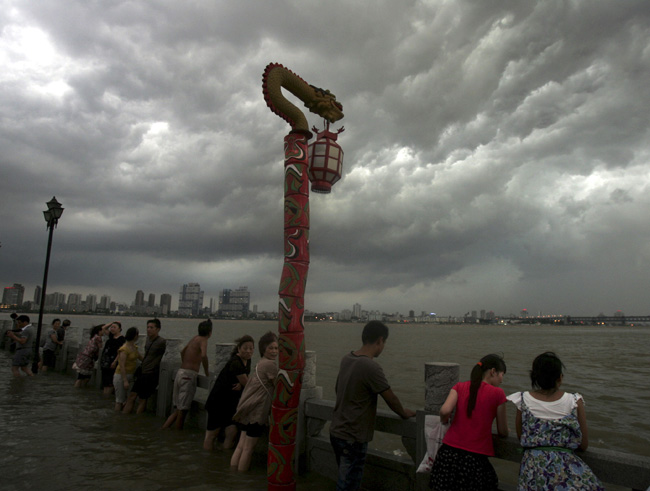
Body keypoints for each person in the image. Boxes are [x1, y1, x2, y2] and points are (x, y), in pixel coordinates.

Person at [329, 320, 416, 491]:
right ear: (380, 341)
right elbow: (390, 397)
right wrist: (404, 413)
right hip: (353, 436)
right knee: (348, 485)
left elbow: (337, 389)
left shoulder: (347, 358)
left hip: (337, 431)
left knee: (344, 478)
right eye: (384, 343)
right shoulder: (370, 366)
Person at [507, 352, 604, 490]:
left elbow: (520, 436)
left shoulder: (522, 400)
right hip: (566, 468)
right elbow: (583, 444)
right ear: (560, 378)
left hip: (532, 470)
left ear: (534, 377)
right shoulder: (574, 401)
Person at [429, 353, 509, 491]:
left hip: (448, 454)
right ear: (493, 372)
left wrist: (445, 421)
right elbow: (502, 431)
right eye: (502, 374)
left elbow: (444, 410)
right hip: (474, 460)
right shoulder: (498, 394)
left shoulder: (459, 387)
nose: (502, 380)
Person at [230, 331, 278, 472]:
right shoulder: (270, 365)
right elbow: (279, 387)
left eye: (276, 348)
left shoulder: (259, 363)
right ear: (263, 349)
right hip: (257, 412)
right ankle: (241, 479)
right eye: (271, 348)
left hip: (247, 409)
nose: (274, 351)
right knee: (248, 449)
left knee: (241, 445)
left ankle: (232, 475)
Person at [203, 334, 254, 450]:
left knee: (231, 432)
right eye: (245, 348)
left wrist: (241, 385)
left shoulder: (247, 360)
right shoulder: (236, 363)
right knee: (212, 434)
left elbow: (245, 381)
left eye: (251, 348)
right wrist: (243, 384)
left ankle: (224, 462)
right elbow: (248, 385)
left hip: (230, 403)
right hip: (218, 402)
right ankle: (207, 459)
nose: (248, 351)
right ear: (238, 348)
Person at [163, 319, 212, 429]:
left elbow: (182, 351)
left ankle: (164, 429)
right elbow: (204, 355)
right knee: (182, 411)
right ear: (210, 332)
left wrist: (186, 363)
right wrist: (206, 371)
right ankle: (177, 438)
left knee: (178, 409)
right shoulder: (203, 340)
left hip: (180, 373)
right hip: (188, 376)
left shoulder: (194, 338)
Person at [123, 318, 167, 414]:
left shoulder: (162, 342)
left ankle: (137, 421)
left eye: (151, 327)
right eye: (147, 327)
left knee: (143, 399)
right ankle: (124, 419)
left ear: (158, 329)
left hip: (150, 374)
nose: (148, 329)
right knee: (132, 396)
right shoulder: (147, 340)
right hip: (142, 372)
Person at [112, 327, 142, 411]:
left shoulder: (134, 347)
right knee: (119, 400)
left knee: (129, 398)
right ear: (134, 336)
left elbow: (140, 357)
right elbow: (122, 365)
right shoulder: (124, 349)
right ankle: (117, 418)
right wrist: (125, 380)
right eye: (137, 334)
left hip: (131, 375)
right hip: (121, 376)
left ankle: (124, 415)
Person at [74, 323, 111, 388]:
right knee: (83, 377)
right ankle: (80, 388)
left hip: (85, 357)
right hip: (88, 359)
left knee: (82, 376)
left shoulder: (94, 336)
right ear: (100, 331)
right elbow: (100, 348)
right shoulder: (98, 338)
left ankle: (79, 389)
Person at [100, 322, 125, 395]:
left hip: (113, 363)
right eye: (111, 327)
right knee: (105, 382)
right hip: (105, 363)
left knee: (110, 382)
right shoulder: (111, 336)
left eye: (115, 327)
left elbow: (120, 352)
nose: (112, 329)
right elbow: (104, 328)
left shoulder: (122, 339)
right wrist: (113, 322)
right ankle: (105, 397)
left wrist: (115, 361)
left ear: (120, 329)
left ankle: (107, 397)